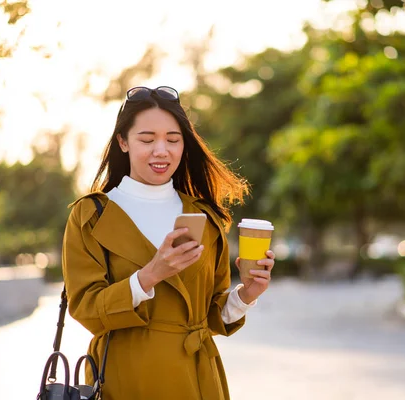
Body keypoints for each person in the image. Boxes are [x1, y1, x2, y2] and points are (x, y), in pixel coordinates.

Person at [61, 85, 275, 400]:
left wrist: (246, 295)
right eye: (147, 140)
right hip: (124, 378)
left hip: (196, 378)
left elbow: (212, 317)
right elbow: (86, 309)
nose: (161, 150)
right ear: (123, 141)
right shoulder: (91, 215)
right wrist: (150, 274)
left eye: (173, 140)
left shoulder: (204, 216)